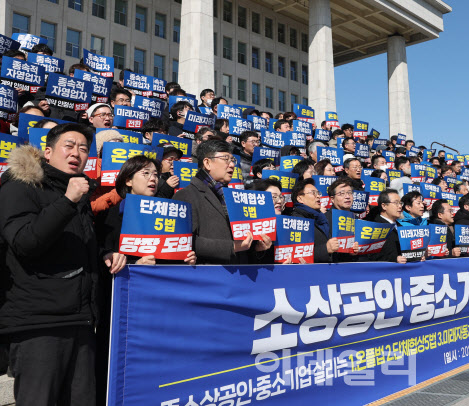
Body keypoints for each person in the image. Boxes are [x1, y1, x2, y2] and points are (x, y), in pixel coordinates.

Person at [0, 123, 126, 405]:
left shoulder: (76, 193)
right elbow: (25, 242)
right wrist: (68, 201)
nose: (77, 153)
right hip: (38, 325)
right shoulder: (20, 187)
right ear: (47, 152)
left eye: (83, 149)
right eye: (69, 146)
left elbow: (72, 246)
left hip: (80, 320)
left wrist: (104, 254)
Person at [93, 156, 196, 403]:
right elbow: (102, 259)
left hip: (161, 306)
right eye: (145, 174)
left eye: (155, 174)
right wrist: (132, 266)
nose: (153, 179)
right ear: (127, 181)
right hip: (123, 308)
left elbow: (172, 256)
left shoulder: (170, 212)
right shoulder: (110, 217)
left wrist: (186, 259)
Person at [174, 140, 271, 264]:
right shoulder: (186, 195)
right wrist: (232, 247)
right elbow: (184, 240)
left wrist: (255, 248)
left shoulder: (231, 196)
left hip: (239, 274)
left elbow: (239, 239)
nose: (232, 165)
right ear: (207, 163)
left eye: (233, 160)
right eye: (226, 159)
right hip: (210, 275)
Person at [290, 178, 339, 263]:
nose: (318, 196)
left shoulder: (321, 218)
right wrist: (325, 249)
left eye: (318, 193)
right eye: (313, 193)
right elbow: (296, 254)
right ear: (300, 198)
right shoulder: (296, 221)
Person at [325, 178, 360, 263]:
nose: (347, 197)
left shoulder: (357, 220)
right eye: (342, 193)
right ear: (332, 199)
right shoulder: (324, 220)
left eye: (349, 193)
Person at [366, 189, 406, 263]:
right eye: (396, 203)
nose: (400, 206)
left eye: (400, 203)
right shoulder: (374, 228)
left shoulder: (402, 228)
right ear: (384, 206)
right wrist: (394, 259)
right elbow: (370, 256)